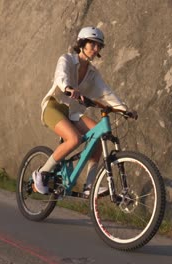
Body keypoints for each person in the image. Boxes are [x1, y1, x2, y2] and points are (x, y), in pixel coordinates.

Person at [33, 26, 137, 196]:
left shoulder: (93, 74)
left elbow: (106, 93)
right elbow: (61, 75)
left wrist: (125, 110)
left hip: (73, 114)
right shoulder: (66, 59)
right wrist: (68, 87)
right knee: (74, 139)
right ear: (82, 43)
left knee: (98, 134)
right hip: (54, 107)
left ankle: (89, 186)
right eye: (93, 44)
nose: (96, 49)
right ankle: (42, 173)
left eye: (99, 46)